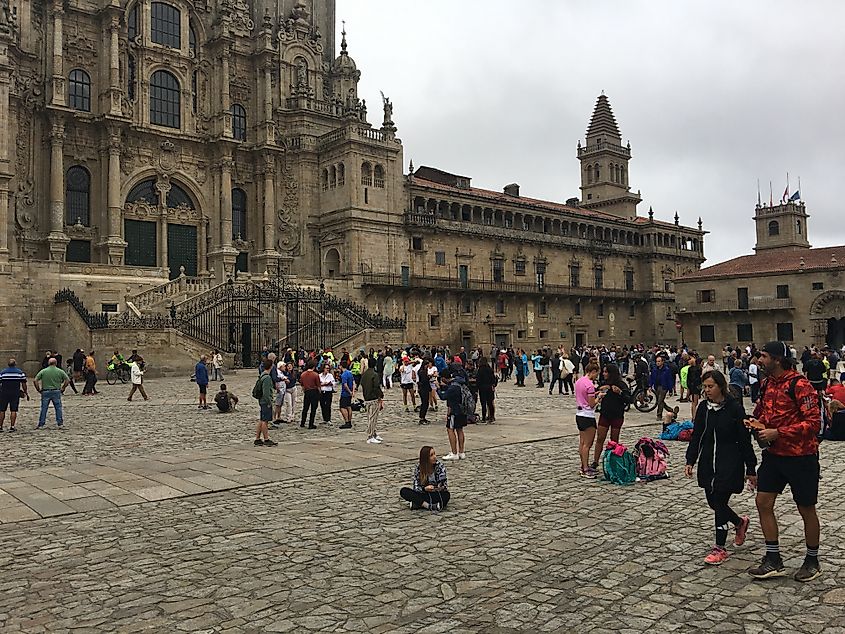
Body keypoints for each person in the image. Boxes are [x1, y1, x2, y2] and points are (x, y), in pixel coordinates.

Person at [746, 342, 822, 582]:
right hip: (774, 456)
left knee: (806, 509)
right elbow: (761, 412)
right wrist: (753, 421)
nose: (759, 360)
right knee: (763, 502)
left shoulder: (800, 385)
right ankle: (773, 558)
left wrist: (778, 432)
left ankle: (812, 560)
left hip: (801, 457)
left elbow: (814, 424)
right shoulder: (768, 383)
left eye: (764, 356)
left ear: (778, 360)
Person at [684, 370, 756, 565]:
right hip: (708, 461)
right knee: (714, 503)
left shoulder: (734, 409)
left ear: (720, 386)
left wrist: (751, 468)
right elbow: (697, 435)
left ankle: (720, 548)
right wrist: (690, 459)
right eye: (704, 387)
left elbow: (744, 440)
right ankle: (739, 522)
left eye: (710, 386)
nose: (707, 390)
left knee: (720, 503)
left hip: (729, 461)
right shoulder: (703, 409)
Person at [592, 364, 631, 469]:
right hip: (605, 414)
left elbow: (628, 399)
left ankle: (613, 461)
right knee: (600, 438)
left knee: (614, 440)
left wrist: (620, 392)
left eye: (606, 372)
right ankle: (595, 461)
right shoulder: (604, 384)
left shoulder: (621, 384)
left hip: (617, 416)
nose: (604, 374)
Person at [399, 445, 450, 512]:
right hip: (423, 493)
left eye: (434, 454)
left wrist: (436, 488)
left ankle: (418, 504)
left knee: (446, 495)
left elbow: (444, 485)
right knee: (404, 491)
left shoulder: (440, 466)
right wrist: (424, 489)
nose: (434, 457)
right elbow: (416, 486)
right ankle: (427, 505)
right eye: (431, 455)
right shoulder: (419, 468)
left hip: (435, 493)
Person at [575, 363, 600, 478]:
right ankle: (585, 468)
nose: (596, 376)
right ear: (593, 372)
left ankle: (583, 465)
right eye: (596, 374)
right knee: (587, 444)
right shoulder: (590, 385)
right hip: (587, 415)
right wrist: (598, 398)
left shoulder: (579, 381)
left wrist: (595, 394)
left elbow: (583, 396)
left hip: (579, 414)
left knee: (582, 443)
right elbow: (591, 404)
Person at [34, 358, 69, 429]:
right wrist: (63, 388)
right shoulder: (60, 371)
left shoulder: (43, 371)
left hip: (45, 391)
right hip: (56, 391)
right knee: (58, 407)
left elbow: (35, 380)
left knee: (44, 408)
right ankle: (60, 423)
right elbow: (67, 380)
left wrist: (38, 389)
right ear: (55, 363)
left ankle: (41, 423)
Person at [442, 373, 468, 460]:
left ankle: (454, 452)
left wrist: (438, 388)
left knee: (450, 429)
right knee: (460, 430)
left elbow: (443, 396)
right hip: (462, 410)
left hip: (454, 411)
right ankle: (461, 452)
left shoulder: (452, 387)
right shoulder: (460, 384)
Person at [0, 358, 29, 432]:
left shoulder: (3, 372)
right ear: (15, 364)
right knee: (13, 410)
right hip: (15, 393)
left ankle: (0, 426)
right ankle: (12, 426)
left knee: (2, 410)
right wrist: (26, 392)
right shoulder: (20, 373)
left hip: (4, 393)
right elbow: (24, 384)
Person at [254, 360, 278, 447]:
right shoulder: (267, 378)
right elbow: (266, 392)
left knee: (261, 419)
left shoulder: (262, 375)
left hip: (261, 400)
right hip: (265, 401)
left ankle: (257, 438)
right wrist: (269, 402)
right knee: (265, 421)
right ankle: (266, 439)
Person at [360, 362, 384, 443]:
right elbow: (376, 386)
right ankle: (370, 435)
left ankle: (374, 433)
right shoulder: (374, 374)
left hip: (366, 398)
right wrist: (380, 396)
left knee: (370, 417)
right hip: (373, 398)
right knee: (373, 417)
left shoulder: (364, 374)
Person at [649, 355, 674, 422]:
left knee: (660, 401)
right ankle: (671, 410)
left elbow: (669, 380)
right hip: (656, 386)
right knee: (660, 401)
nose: (658, 363)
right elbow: (651, 378)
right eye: (657, 361)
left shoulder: (666, 370)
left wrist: (670, 390)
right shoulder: (654, 369)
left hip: (663, 387)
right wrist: (650, 385)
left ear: (662, 362)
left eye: (659, 361)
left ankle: (659, 415)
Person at [299, 361, 320, 429]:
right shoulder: (315, 375)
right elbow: (318, 385)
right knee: (313, 409)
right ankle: (311, 423)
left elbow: (302, 385)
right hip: (314, 391)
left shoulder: (303, 374)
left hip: (307, 391)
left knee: (305, 408)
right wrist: (320, 393)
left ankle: (303, 422)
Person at [476, 356, 497, 423]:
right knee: (490, 403)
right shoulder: (490, 369)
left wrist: (477, 387)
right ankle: (491, 416)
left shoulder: (480, 369)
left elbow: (478, 380)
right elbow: (493, 379)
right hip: (489, 388)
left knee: (483, 403)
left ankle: (484, 417)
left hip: (482, 388)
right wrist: (493, 385)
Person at [338, 360, 355, 429]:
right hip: (349, 394)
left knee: (342, 407)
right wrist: (353, 392)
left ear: (341, 366)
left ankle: (347, 421)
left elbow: (345, 385)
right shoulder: (350, 373)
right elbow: (354, 382)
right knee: (349, 407)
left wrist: (349, 392)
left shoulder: (344, 375)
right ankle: (350, 421)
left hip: (345, 393)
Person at [687, 354, 702, 421]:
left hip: (693, 387)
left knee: (694, 403)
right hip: (695, 387)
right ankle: (694, 417)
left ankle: (694, 416)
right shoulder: (696, 369)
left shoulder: (692, 369)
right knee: (694, 403)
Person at [417, 358, 432, 425]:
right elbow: (424, 381)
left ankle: (423, 417)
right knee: (424, 403)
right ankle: (422, 418)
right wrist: (429, 378)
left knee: (425, 403)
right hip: (423, 389)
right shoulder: (422, 371)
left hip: (424, 388)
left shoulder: (423, 371)